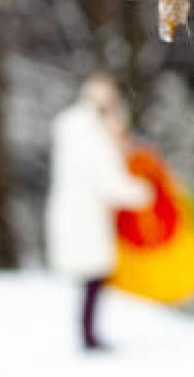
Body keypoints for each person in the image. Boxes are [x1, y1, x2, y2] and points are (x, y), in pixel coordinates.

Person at [46, 74, 152, 350]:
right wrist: (143, 193)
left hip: (76, 214)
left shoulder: (76, 131)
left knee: (92, 277)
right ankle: (89, 336)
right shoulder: (92, 137)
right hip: (86, 218)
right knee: (94, 276)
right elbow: (108, 182)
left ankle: (88, 333)